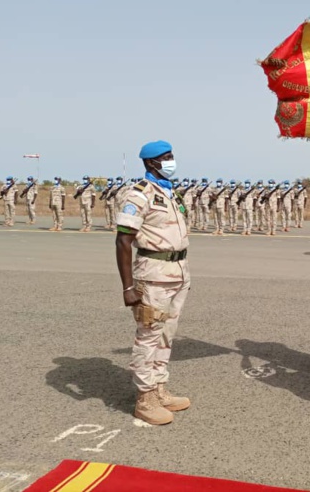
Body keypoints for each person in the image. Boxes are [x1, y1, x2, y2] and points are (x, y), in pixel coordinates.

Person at [115, 140, 190, 426]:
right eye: (165, 158)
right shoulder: (139, 195)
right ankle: (144, 398)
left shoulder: (171, 193)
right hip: (153, 274)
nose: (171, 161)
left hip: (178, 272)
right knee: (149, 334)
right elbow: (123, 240)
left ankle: (159, 388)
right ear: (150, 163)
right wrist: (128, 286)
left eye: (172, 156)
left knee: (167, 333)